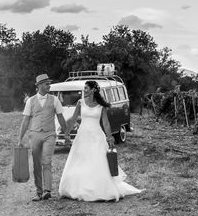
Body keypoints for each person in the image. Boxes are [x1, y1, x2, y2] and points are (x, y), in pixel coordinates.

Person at [58, 80, 143, 202]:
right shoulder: (80, 103)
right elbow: (73, 119)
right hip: (82, 135)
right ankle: (78, 187)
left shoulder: (101, 105)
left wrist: (109, 137)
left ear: (93, 90)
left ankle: (98, 189)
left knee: (97, 160)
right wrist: (66, 133)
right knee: (80, 160)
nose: (84, 90)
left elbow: (106, 122)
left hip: (96, 135)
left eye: (86, 88)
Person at [18, 73, 70, 201]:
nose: (49, 86)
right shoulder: (30, 101)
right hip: (34, 135)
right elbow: (25, 121)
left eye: (49, 83)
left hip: (49, 134)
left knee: (46, 161)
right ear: (40, 85)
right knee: (36, 164)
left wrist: (67, 133)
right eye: (47, 84)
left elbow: (61, 118)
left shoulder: (55, 100)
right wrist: (20, 139)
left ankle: (47, 190)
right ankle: (39, 192)